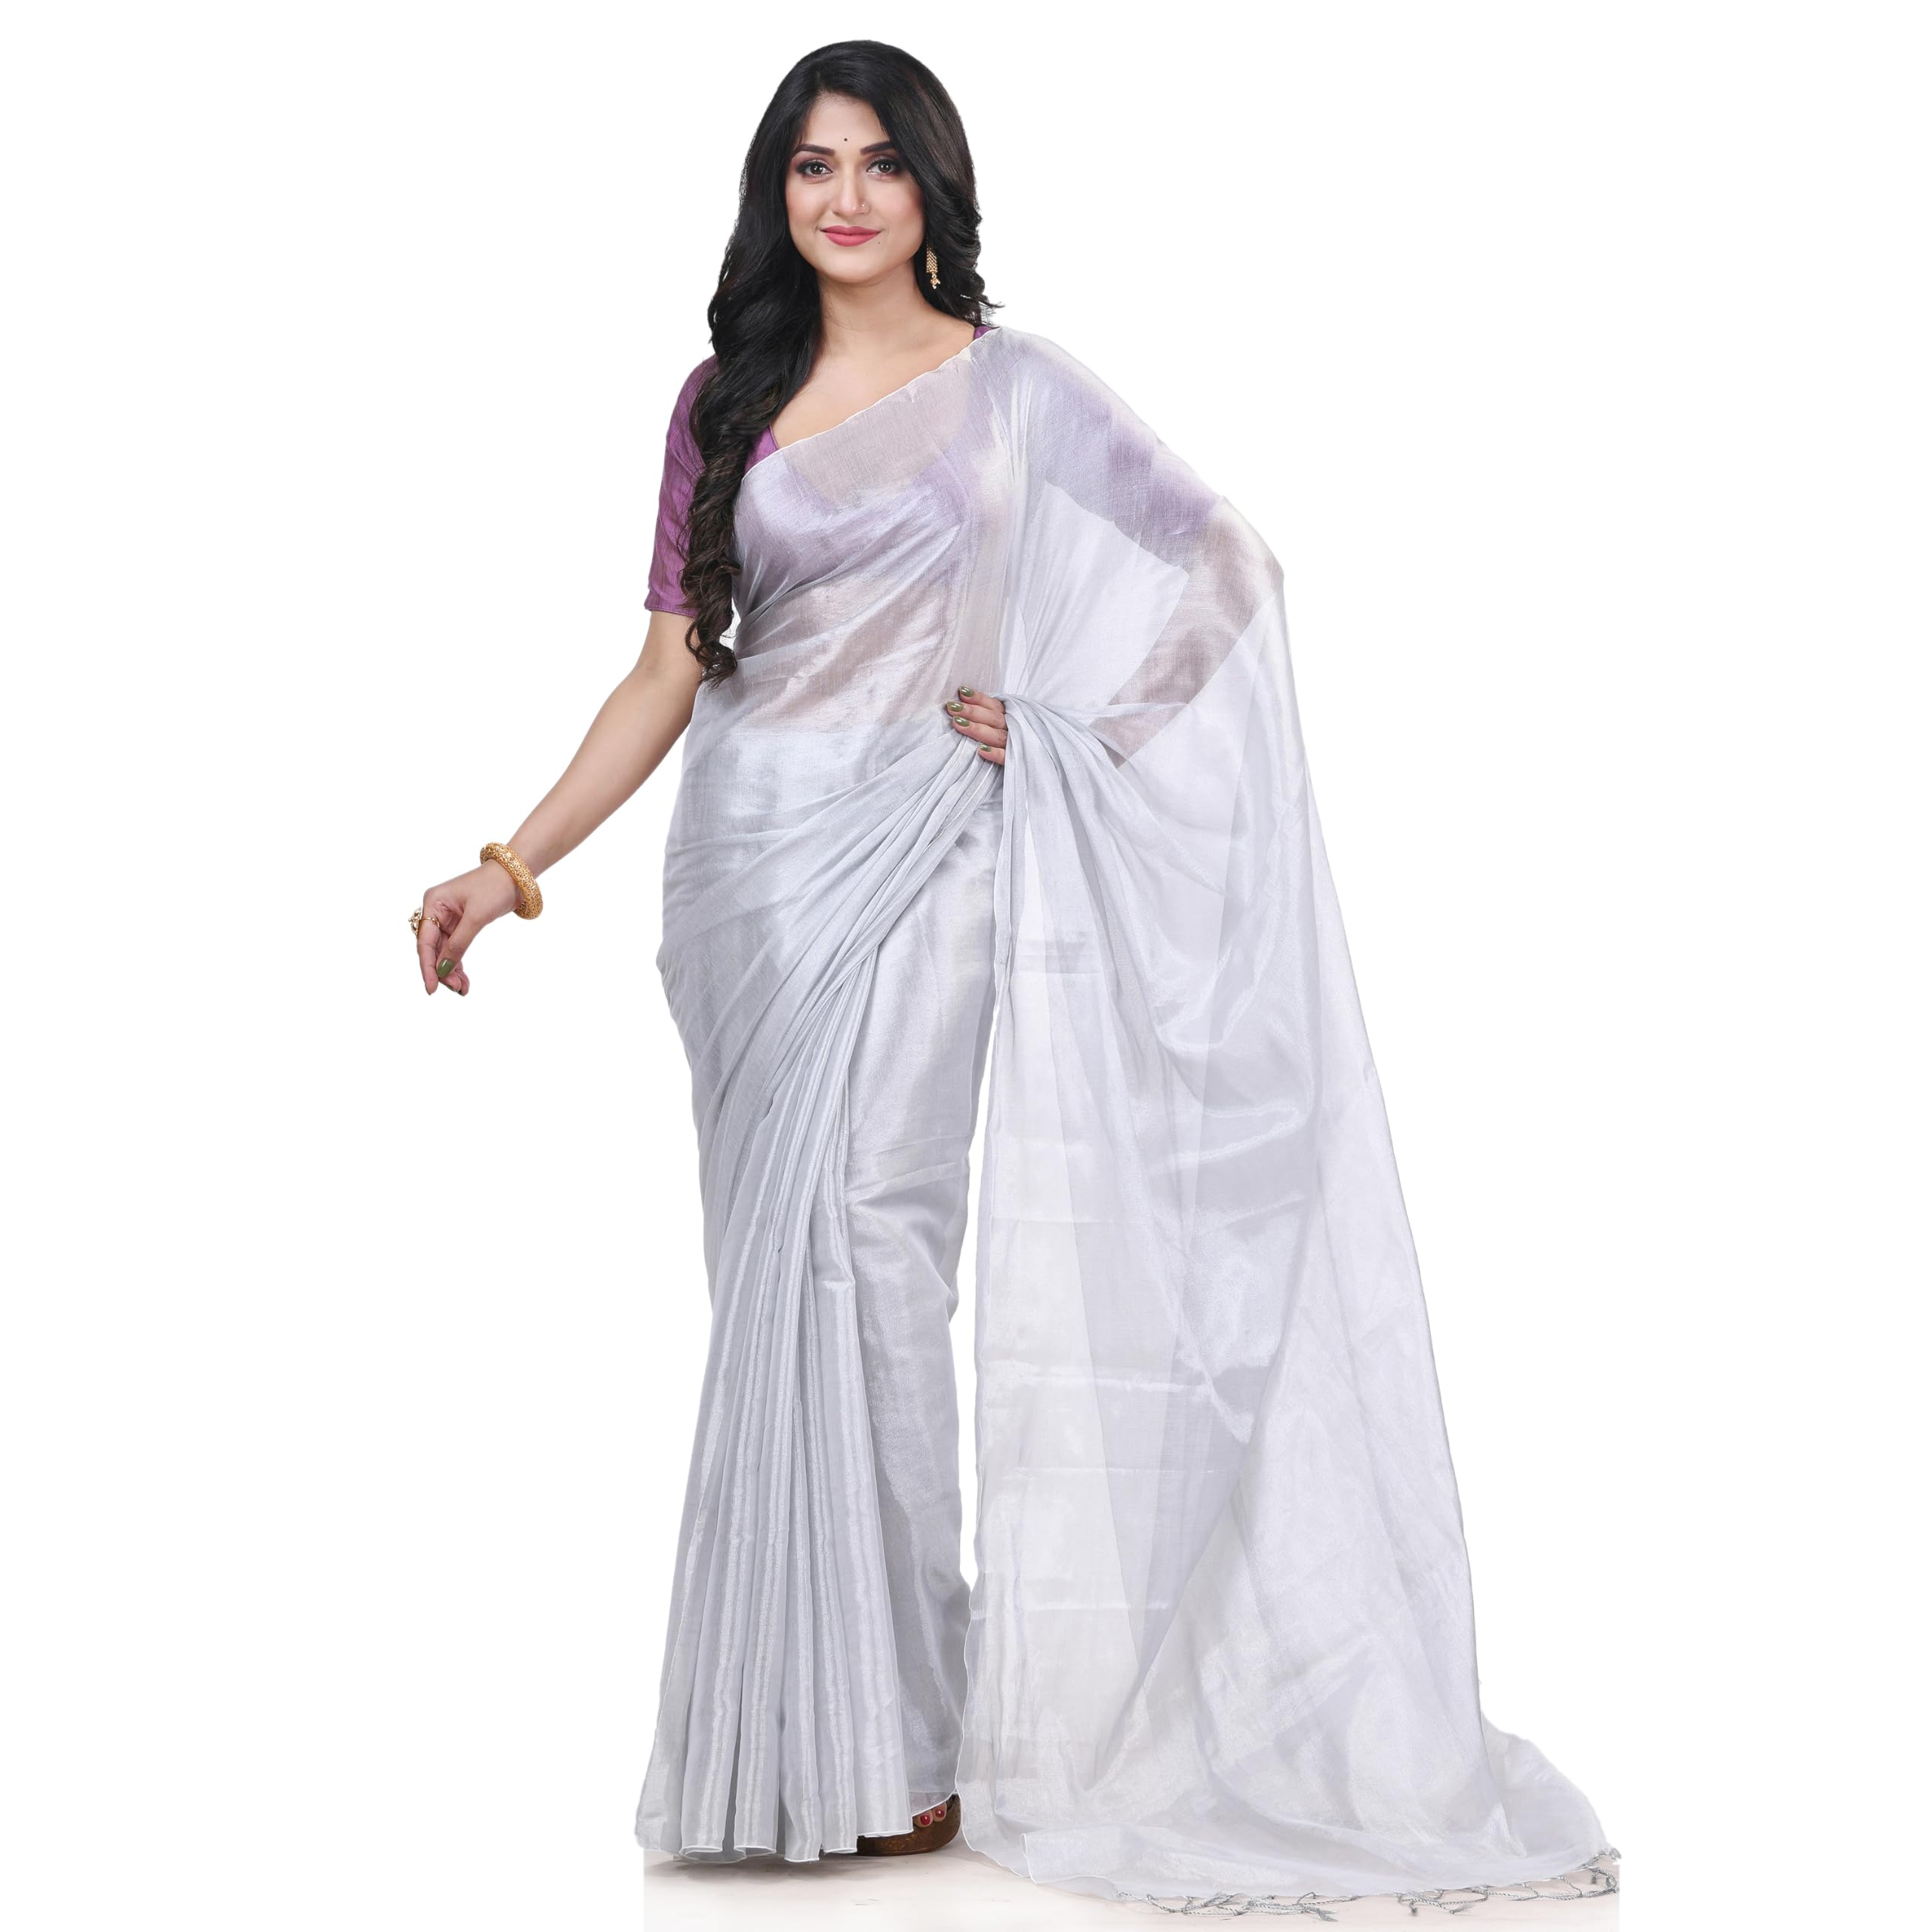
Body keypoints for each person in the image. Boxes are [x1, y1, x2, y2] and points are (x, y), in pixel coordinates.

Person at [411, 38, 1616, 1918]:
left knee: (879, 1255)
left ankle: (901, 1741)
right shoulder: (722, 400)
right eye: (812, 165)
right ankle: (786, 1738)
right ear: (775, 192)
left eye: (879, 164)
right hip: (747, 876)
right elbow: (665, 668)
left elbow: (1226, 561)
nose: (845, 198)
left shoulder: (1012, 388)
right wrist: (509, 862)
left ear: (933, 190)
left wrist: (1074, 725)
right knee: (775, 1287)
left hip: (930, 850)